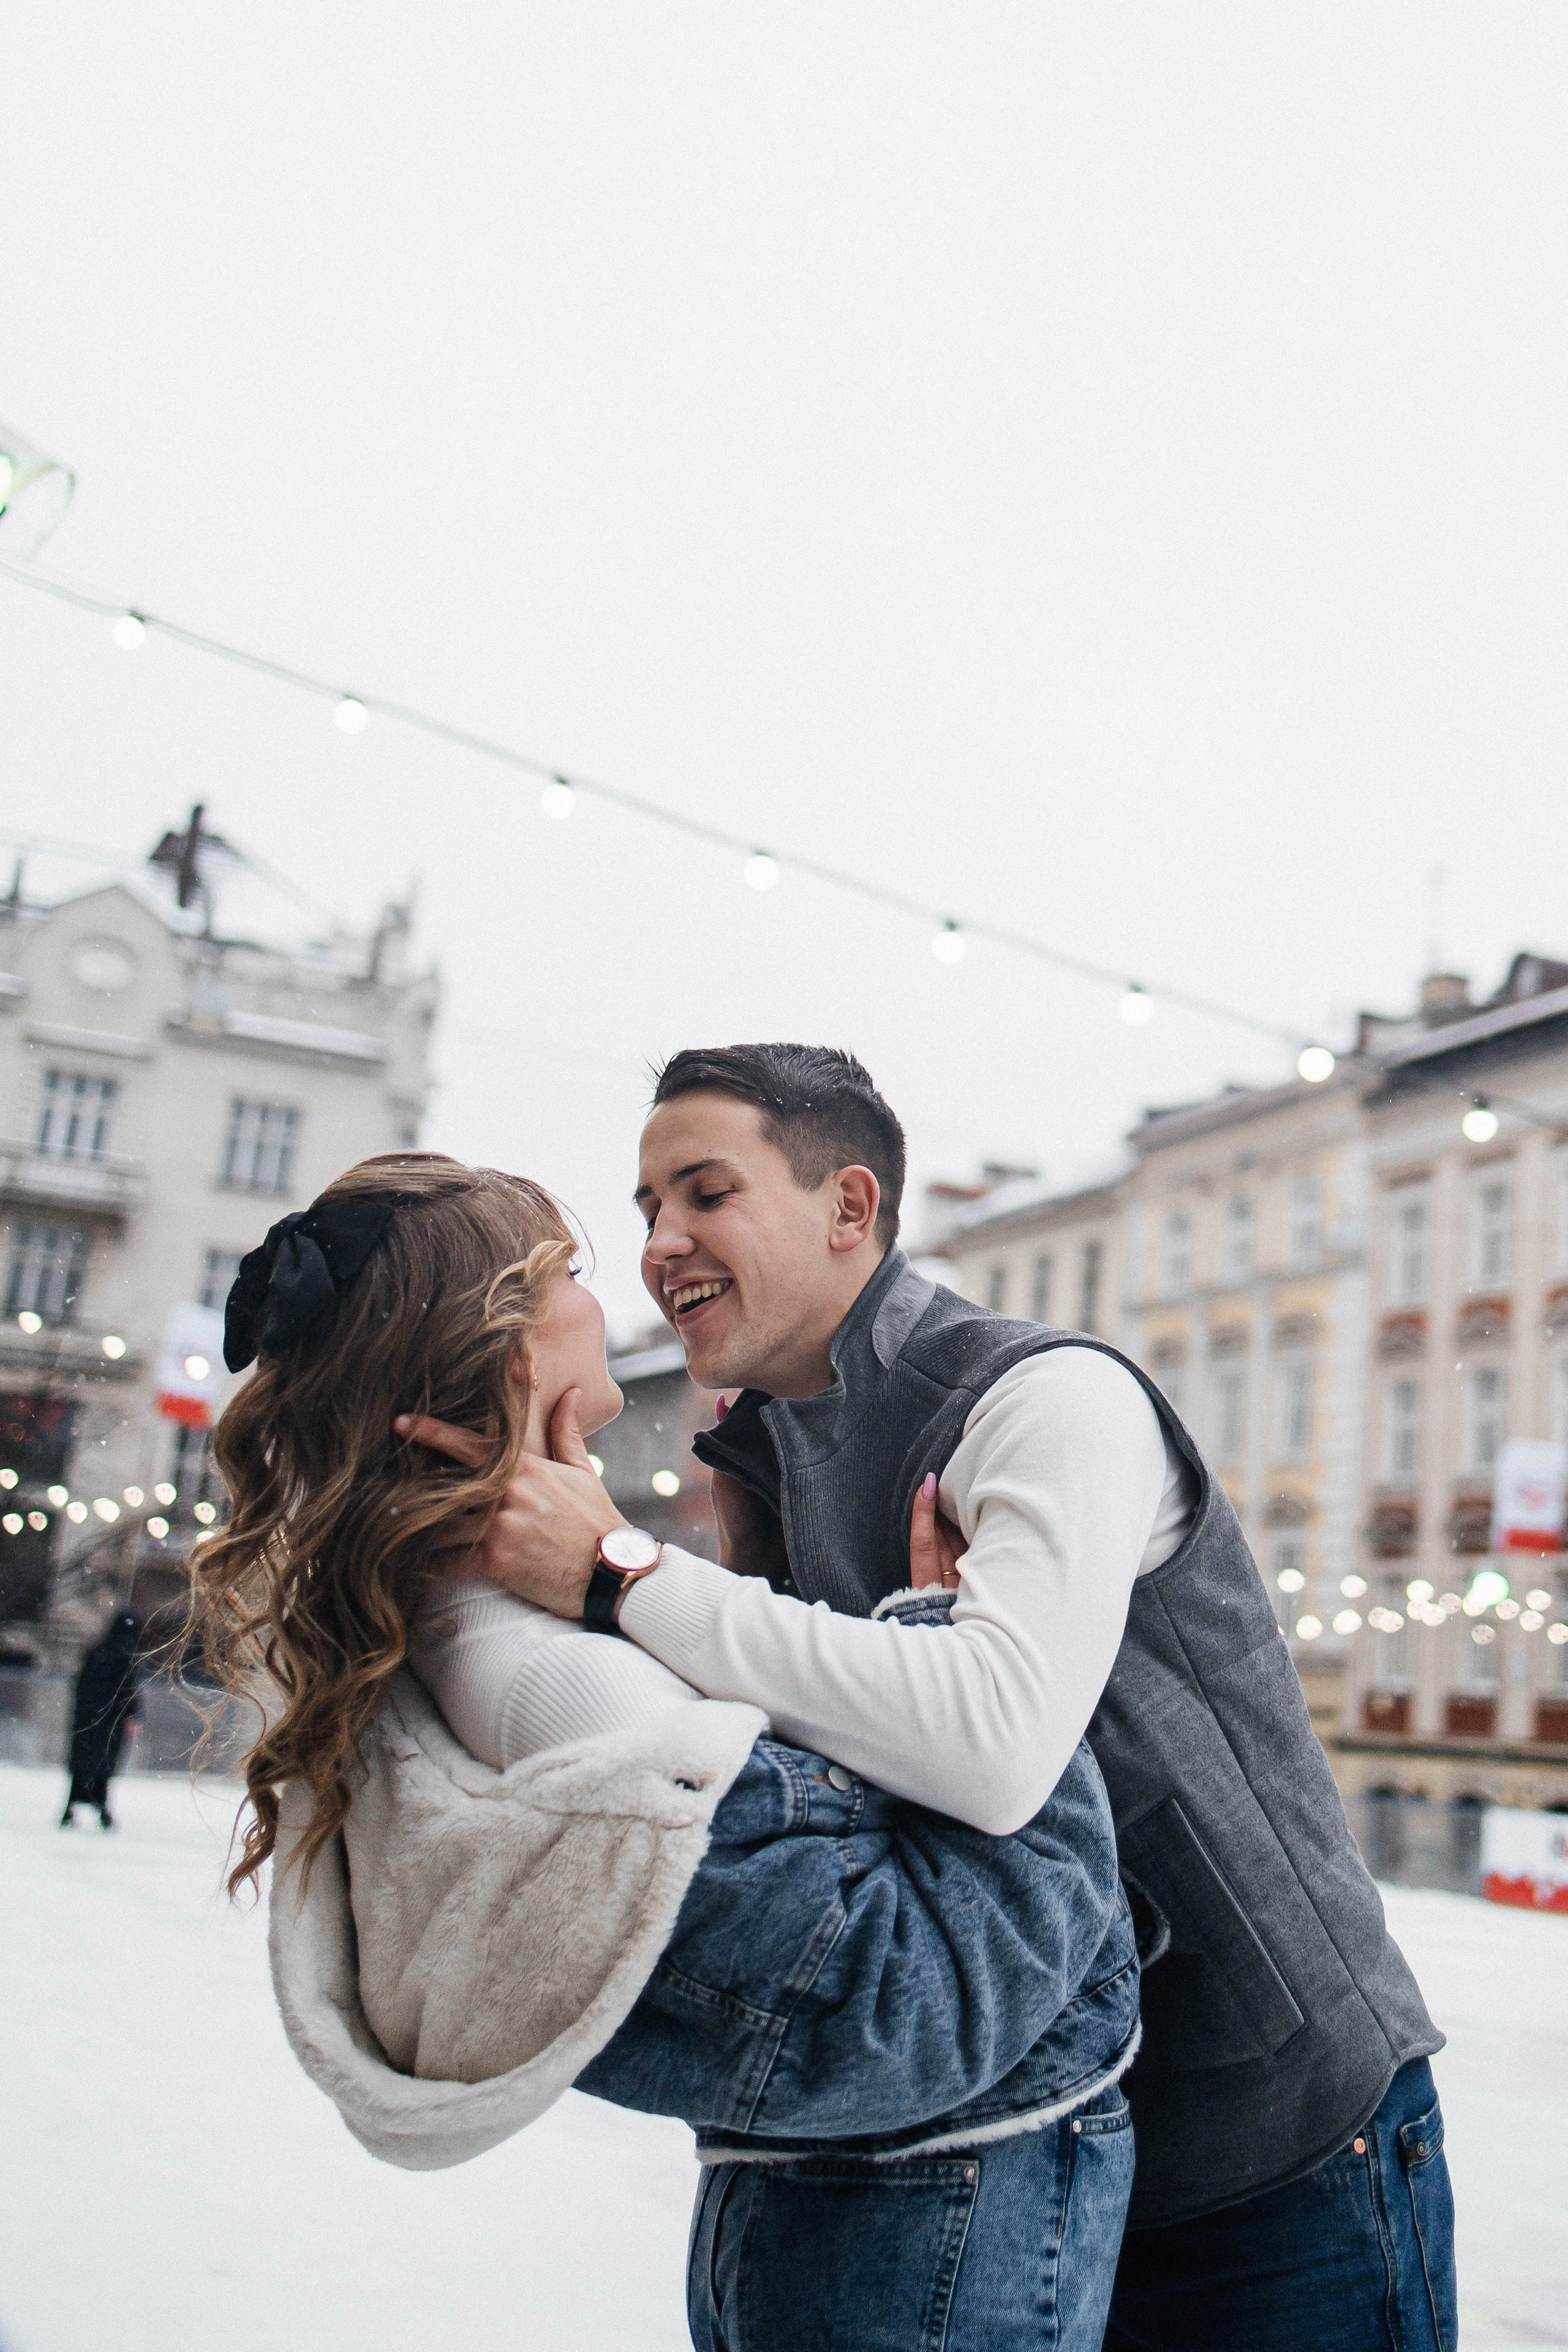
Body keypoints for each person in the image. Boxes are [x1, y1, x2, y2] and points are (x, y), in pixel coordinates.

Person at [404, 1042, 1458, 2352]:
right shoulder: (767, 1462)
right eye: (645, 1211)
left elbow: (993, 1741)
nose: (660, 1244)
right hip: (1035, 2143)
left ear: (849, 1207)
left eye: (704, 1193)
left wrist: (625, 1571)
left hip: (1279, 2141)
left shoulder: (1046, 1396)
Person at [194, 1155, 1144, 2351]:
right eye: (573, 1274)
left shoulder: (456, 1607)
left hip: (845, 2224)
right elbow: (912, 2004)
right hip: (924, 2240)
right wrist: (966, 1666)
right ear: (506, 1346)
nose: (617, 1295)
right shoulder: (546, 1663)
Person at [60, 1609, 143, 1829]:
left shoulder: (96, 1653)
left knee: (83, 1764)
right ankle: (100, 1808)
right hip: (110, 1723)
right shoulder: (123, 1658)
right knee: (103, 1765)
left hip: (88, 1721)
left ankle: (74, 1807)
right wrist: (133, 1715)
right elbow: (129, 1692)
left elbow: (81, 1688)